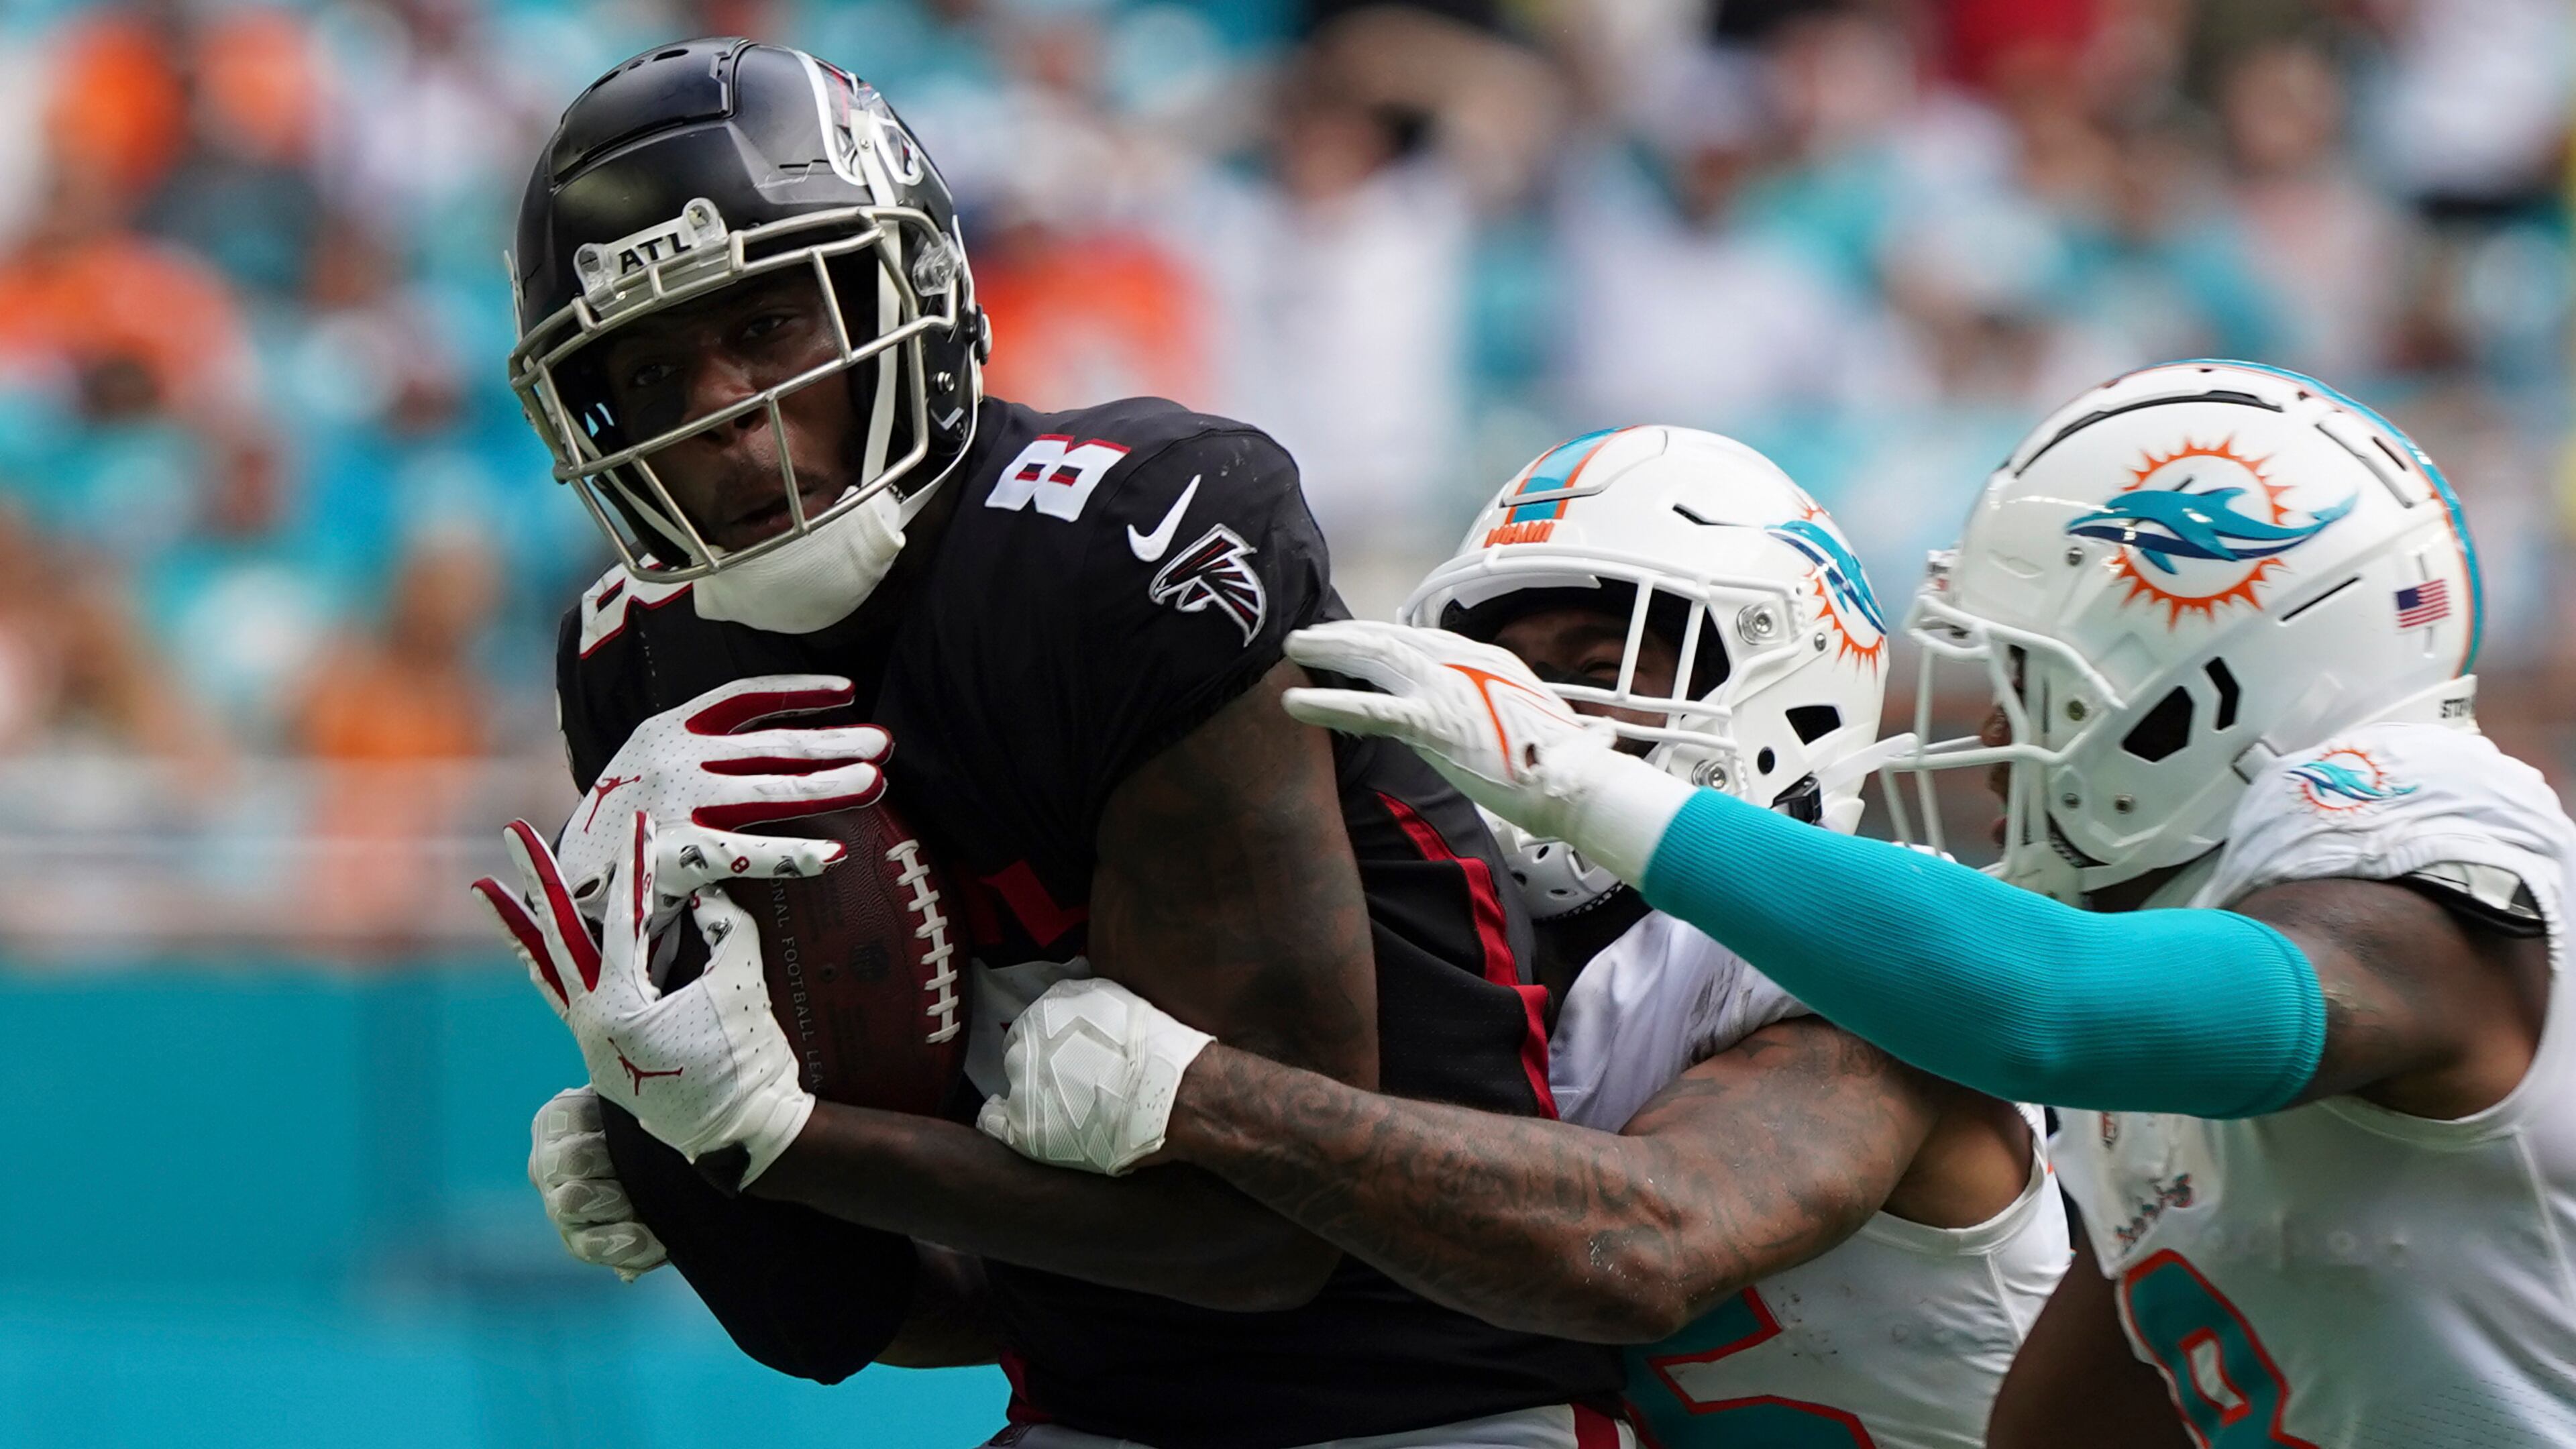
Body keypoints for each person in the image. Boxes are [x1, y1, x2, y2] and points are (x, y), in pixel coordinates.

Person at [469, 36, 1624, 1449]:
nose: (720, 413)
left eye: (768, 326)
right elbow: (889, 1317)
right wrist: (701, 1171)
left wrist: (786, 1141)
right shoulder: (639, 661)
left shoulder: (1127, 542)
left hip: (1442, 1398)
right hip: (1079, 1406)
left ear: (912, 293)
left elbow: (1259, 1244)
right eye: (650, 376)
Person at [1267, 362, 2576, 1446]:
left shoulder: (2423, 833)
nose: (1992, 735)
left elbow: (2051, 1001)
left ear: (2217, 677)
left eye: (2031, 683)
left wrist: (1583, 783)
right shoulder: (2160, 1085)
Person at [977, 426, 2070, 1448]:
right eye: (1497, 669)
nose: (1526, 710)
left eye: (1593, 668)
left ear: (1795, 699)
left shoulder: (1858, 946)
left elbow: (1648, 1244)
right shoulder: (1477, 958)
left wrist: (1199, 1094)